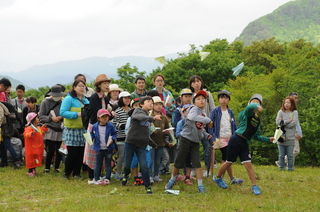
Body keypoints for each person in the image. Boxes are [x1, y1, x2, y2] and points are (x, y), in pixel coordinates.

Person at [213, 94, 274, 195]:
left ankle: (254, 186)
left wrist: (268, 139)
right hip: (236, 139)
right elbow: (249, 107)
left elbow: (256, 136)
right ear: (250, 103)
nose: (255, 103)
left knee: (248, 164)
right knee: (229, 162)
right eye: (253, 101)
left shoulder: (257, 120)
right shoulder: (247, 113)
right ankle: (218, 178)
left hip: (245, 143)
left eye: (257, 102)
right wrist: (254, 105)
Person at [165, 91, 213, 193]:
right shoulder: (193, 109)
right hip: (185, 139)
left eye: (203, 99)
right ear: (194, 102)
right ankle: (172, 180)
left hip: (195, 142)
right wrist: (207, 120)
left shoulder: (203, 114)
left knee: (197, 163)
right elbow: (191, 117)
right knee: (179, 161)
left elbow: (201, 128)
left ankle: (200, 186)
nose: (201, 101)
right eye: (198, 99)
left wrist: (206, 135)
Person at [122, 96, 160, 194]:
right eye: (148, 101)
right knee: (127, 164)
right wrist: (152, 118)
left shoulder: (148, 118)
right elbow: (138, 117)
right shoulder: (137, 110)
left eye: (152, 102)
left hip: (141, 145)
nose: (151, 103)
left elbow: (146, 135)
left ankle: (147, 186)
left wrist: (153, 144)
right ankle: (126, 175)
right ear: (142, 104)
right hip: (130, 142)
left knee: (144, 165)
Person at [208, 90, 243, 184]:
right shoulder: (215, 111)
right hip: (220, 138)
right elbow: (210, 125)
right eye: (221, 98)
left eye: (226, 98)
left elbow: (234, 125)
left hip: (230, 137)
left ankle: (228, 178)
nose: (223, 100)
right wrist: (212, 138)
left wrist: (236, 136)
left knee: (227, 159)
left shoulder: (230, 111)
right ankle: (223, 178)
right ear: (218, 99)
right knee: (227, 157)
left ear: (229, 100)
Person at [83, 74, 112, 184]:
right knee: (92, 149)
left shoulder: (105, 97)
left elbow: (107, 112)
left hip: (103, 126)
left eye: (107, 83)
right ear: (99, 85)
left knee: (101, 149)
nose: (107, 85)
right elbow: (99, 113)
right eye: (104, 83)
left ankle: (99, 175)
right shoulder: (95, 97)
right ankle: (92, 176)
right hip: (94, 126)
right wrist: (109, 113)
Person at [60, 79, 89, 179]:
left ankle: (77, 173)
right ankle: (67, 173)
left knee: (81, 153)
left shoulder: (86, 100)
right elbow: (63, 112)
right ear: (74, 87)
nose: (82, 88)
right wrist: (77, 114)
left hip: (83, 129)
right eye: (80, 86)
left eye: (83, 86)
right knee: (72, 153)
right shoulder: (68, 99)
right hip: (71, 129)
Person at [189, 75, 215, 176]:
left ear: (201, 82)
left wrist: (211, 122)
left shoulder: (208, 94)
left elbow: (212, 109)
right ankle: (192, 168)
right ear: (191, 84)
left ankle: (207, 169)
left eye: (198, 81)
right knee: (193, 147)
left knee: (207, 146)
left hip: (207, 125)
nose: (196, 83)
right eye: (194, 82)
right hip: (194, 125)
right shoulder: (190, 95)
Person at [39, 85, 66, 173]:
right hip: (50, 128)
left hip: (60, 128)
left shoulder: (63, 102)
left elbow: (66, 113)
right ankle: (47, 167)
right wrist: (51, 119)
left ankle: (57, 167)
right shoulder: (45, 102)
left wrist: (61, 117)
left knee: (59, 150)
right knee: (50, 150)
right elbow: (41, 116)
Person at [275, 92, 302, 167]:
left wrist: (284, 122)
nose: (296, 100)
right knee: (295, 150)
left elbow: (294, 123)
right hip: (289, 134)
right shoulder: (284, 112)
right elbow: (280, 122)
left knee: (292, 151)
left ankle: (289, 165)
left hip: (293, 133)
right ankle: (281, 162)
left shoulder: (294, 111)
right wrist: (296, 132)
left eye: (297, 98)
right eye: (294, 98)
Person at [91, 109, 117, 185]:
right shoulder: (95, 126)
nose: (105, 118)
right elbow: (91, 135)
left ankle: (107, 178)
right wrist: (91, 140)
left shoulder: (110, 126)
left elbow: (115, 133)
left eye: (106, 116)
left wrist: (112, 139)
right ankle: (96, 178)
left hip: (108, 148)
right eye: (103, 117)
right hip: (99, 149)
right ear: (98, 118)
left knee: (108, 164)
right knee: (98, 164)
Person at [111, 91, 131, 180]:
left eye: (128, 98)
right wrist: (122, 126)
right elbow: (114, 123)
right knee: (122, 155)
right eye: (125, 98)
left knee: (128, 155)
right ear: (121, 99)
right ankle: (118, 173)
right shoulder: (118, 111)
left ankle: (126, 173)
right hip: (120, 136)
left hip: (130, 137)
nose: (127, 100)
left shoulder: (131, 111)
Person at [150, 96, 170, 182]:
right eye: (156, 104)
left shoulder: (164, 117)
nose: (158, 106)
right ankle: (150, 175)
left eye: (160, 104)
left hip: (161, 142)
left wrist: (166, 132)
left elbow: (167, 128)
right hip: (151, 142)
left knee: (158, 160)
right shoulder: (149, 116)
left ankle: (156, 175)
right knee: (150, 160)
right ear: (152, 105)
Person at [0, 101, 21, 169]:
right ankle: (4, 162)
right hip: (4, 127)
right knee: (1, 145)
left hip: (5, 127)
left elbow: (1, 117)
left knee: (7, 144)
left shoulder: (0, 105)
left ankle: (17, 161)